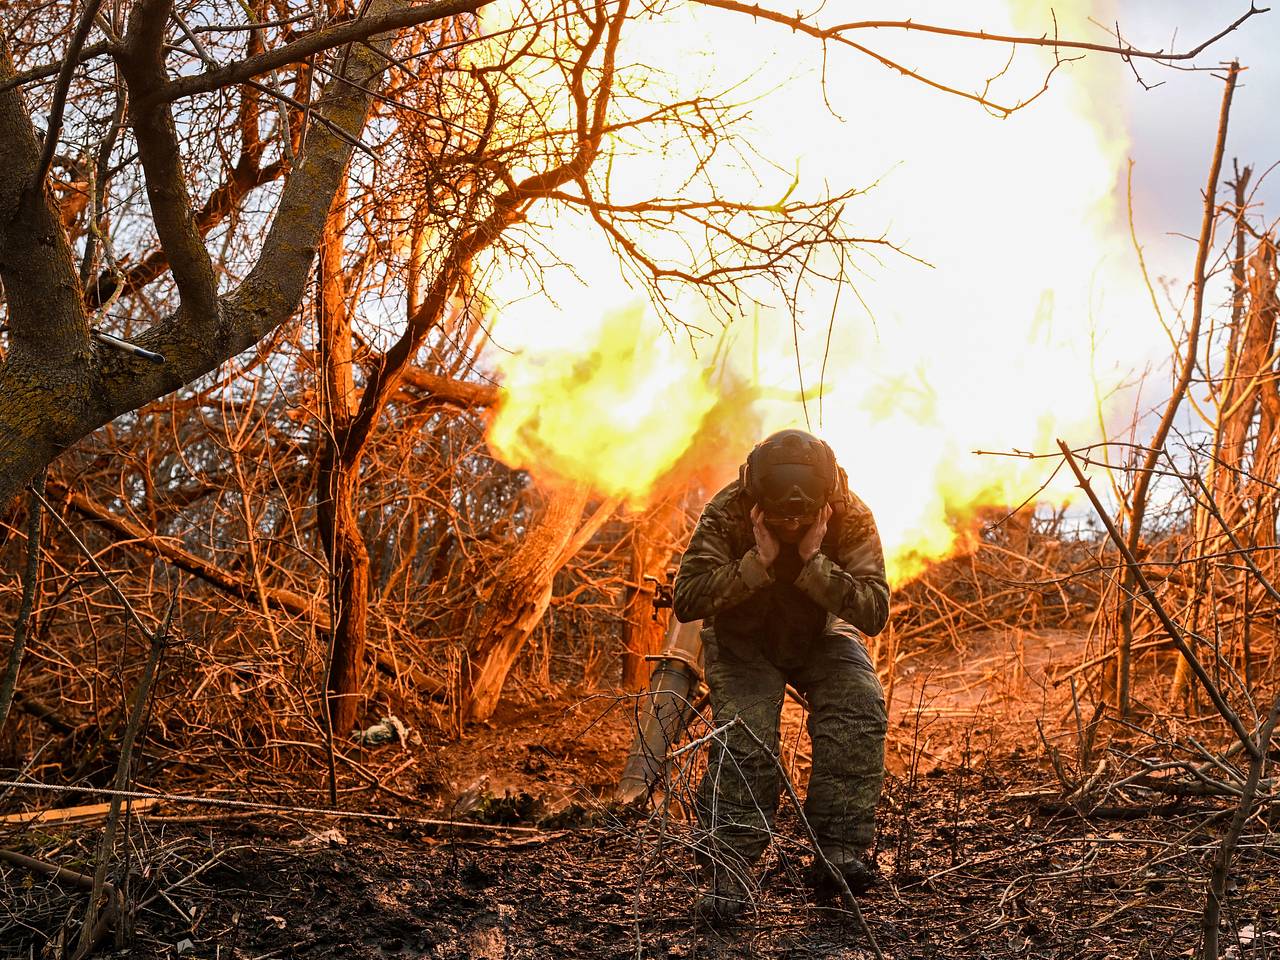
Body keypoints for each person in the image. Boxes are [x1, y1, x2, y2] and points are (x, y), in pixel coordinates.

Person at [672, 428, 890, 922]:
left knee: (858, 706)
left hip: (822, 635)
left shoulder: (849, 513)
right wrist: (759, 562)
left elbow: (874, 610)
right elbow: (688, 598)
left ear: (824, 501)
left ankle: (838, 856)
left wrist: (814, 562)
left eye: (802, 514)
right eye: (781, 513)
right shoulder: (729, 510)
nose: (791, 521)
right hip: (744, 641)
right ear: (757, 500)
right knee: (746, 738)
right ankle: (729, 872)